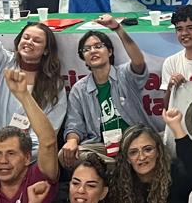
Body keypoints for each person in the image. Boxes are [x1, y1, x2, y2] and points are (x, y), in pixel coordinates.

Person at [0, 0, 67, 171]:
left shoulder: (55, 85)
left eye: (37, 41)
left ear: (46, 50)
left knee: (43, 155)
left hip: (29, 153)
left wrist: (16, 152)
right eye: (26, 38)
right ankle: (1, 169)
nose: (29, 42)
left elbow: (49, 133)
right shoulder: (6, 63)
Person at [62, 16, 159, 161]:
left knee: (150, 146)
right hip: (103, 147)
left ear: (110, 51)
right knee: (68, 155)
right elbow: (74, 124)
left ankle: (119, 166)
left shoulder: (125, 74)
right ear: (83, 57)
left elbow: (138, 61)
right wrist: (72, 140)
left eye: (98, 46)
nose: (93, 51)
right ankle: (115, 165)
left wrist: (118, 29)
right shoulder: (79, 89)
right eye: (87, 49)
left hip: (136, 141)